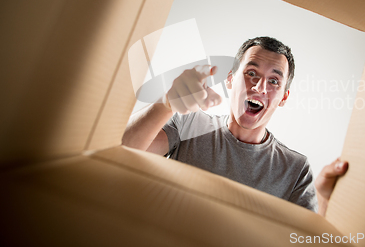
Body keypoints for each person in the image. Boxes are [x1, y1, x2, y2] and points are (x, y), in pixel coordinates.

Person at [122, 36, 347, 216]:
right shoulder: (188, 123)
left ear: (284, 97)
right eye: (251, 73)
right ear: (230, 79)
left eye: (274, 81)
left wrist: (324, 199)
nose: (260, 87)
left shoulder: (295, 169)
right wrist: (167, 103)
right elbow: (119, 150)